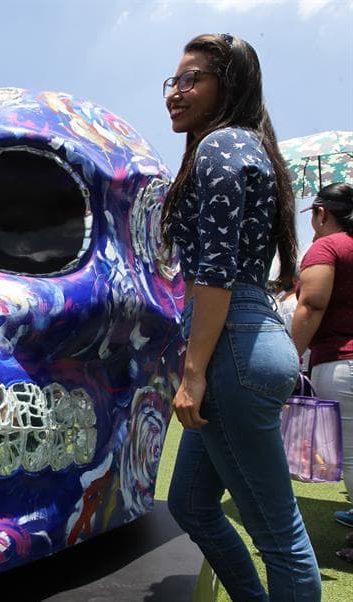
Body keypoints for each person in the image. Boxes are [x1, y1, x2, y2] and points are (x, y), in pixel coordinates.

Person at [162, 34, 321, 600]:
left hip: (232, 345)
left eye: (192, 79)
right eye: (173, 80)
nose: (175, 92)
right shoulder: (247, 146)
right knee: (190, 503)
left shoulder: (222, 145)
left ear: (228, 86)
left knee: (279, 534)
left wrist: (193, 372)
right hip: (249, 338)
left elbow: (215, 270)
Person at [291, 183, 353, 536]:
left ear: (322, 212)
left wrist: (290, 357)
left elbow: (312, 305)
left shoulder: (327, 247)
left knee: (351, 456)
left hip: (341, 360)